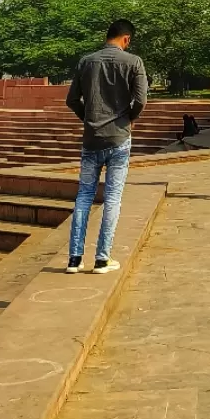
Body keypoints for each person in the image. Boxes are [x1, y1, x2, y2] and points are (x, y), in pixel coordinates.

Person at [65, 19, 148, 273]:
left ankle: (74, 259)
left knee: (84, 196)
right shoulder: (133, 62)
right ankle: (102, 258)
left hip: (91, 139)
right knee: (112, 198)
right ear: (126, 39)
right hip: (119, 139)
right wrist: (128, 119)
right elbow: (141, 100)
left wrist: (89, 118)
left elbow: (72, 100)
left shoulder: (86, 61)